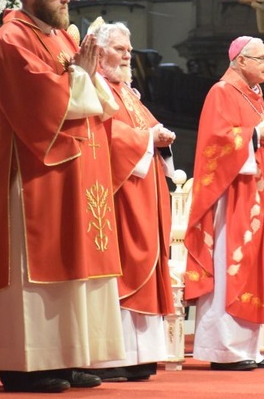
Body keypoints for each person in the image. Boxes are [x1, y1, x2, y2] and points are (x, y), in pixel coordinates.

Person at [0, 0, 125, 393]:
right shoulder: (12, 39)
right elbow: (41, 98)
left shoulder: (64, 37)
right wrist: (80, 77)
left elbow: (101, 98)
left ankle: (66, 358)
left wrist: (85, 75)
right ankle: (24, 365)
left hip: (77, 174)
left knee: (75, 266)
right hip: (35, 173)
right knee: (38, 267)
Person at [184, 36, 264, 371]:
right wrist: (257, 135)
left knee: (255, 270)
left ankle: (248, 347)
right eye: (262, 59)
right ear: (240, 61)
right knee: (231, 267)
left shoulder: (256, 97)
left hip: (256, 193)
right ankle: (223, 349)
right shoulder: (222, 92)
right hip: (232, 194)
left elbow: (259, 135)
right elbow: (215, 142)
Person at [85, 22, 176, 382]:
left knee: (145, 267)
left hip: (145, 194)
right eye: (120, 48)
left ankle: (142, 356)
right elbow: (103, 133)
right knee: (122, 270)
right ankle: (113, 357)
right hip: (118, 196)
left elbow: (146, 129)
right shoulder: (96, 88)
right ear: (100, 51)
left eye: (129, 47)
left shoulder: (128, 93)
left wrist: (161, 138)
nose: (127, 54)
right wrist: (146, 139)